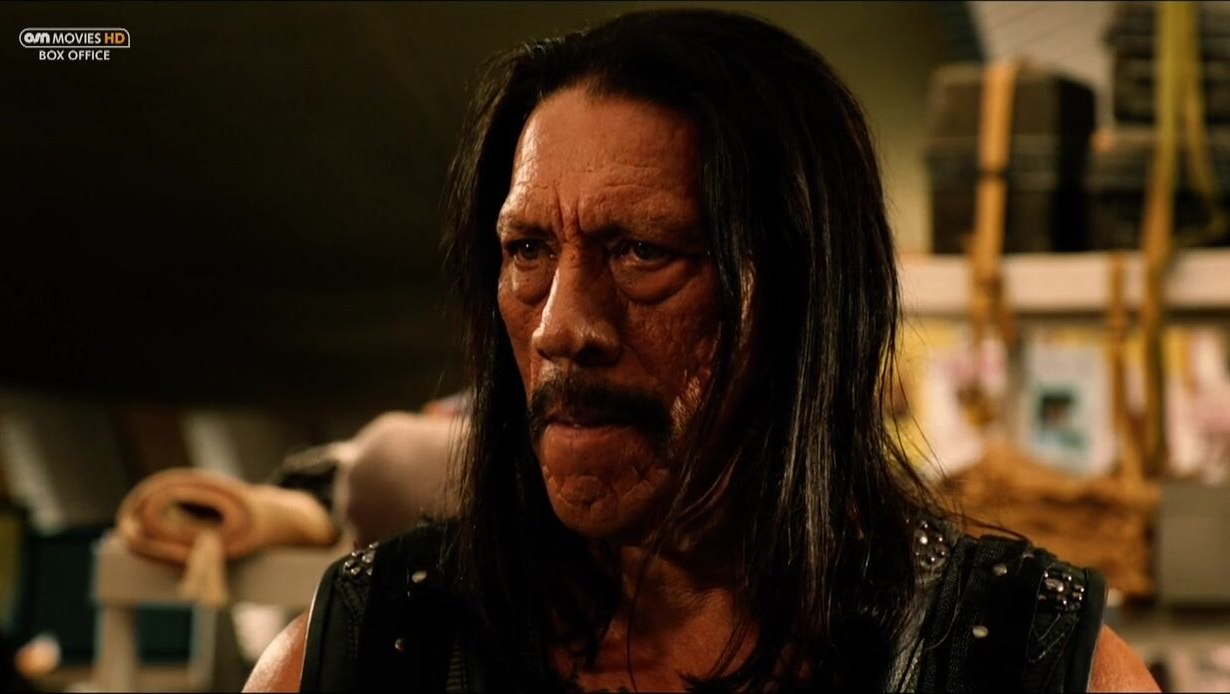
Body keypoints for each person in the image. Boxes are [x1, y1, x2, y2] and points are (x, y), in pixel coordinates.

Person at [248, 9, 1159, 692]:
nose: (562, 326)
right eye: (528, 250)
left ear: (803, 295)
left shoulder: (1024, 662)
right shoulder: (364, 655)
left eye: (643, 253)